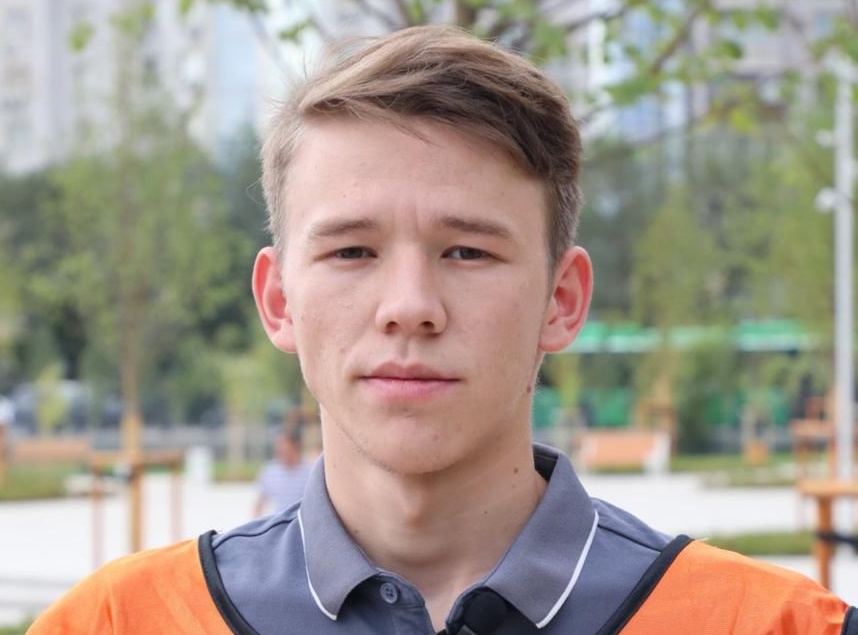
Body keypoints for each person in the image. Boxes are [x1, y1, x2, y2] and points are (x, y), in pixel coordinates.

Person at [28, 25, 857, 635]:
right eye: (352, 251)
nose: (410, 305)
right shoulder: (114, 621)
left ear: (562, 299)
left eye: (467, 251)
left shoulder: (771, 623)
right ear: (278, 299)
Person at [252, 427, 312, 517]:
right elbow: (259, 502)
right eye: (278, 445)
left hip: (301, 520)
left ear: (295, 446)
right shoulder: (269, 471)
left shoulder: (309, 471)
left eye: (283, 445)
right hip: (278, 520)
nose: (279, 449)